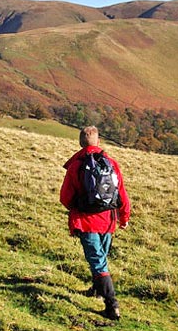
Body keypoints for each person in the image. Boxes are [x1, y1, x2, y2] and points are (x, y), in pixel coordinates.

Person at [60, 126, 131, 320]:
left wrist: (78, 207)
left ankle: (112, 306)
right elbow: (121, 194)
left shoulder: (76, 165)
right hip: (108, 221)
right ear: (98, 142)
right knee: (101, 258)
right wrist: (124, 217)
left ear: (80, 142)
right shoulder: (111, 163)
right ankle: (97, 290)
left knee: (98, 263)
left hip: (86, 221)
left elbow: (65, 198)